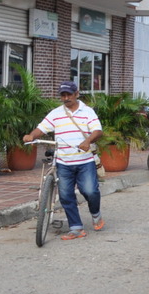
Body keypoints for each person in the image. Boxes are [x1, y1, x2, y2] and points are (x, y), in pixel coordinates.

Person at [23, 80, 104, 240]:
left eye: (69, 94)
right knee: (66, 196)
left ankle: (96, 214)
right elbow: (42, 128)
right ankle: (76, 228)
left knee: (90, 191)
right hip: (63, 162)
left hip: (84, 161)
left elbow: (97, 131)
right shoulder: (56, 113)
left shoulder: (87, 112)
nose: (66, 98)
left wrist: (88, 141)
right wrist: (31, 135)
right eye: (63, 95)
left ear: (76, 94)